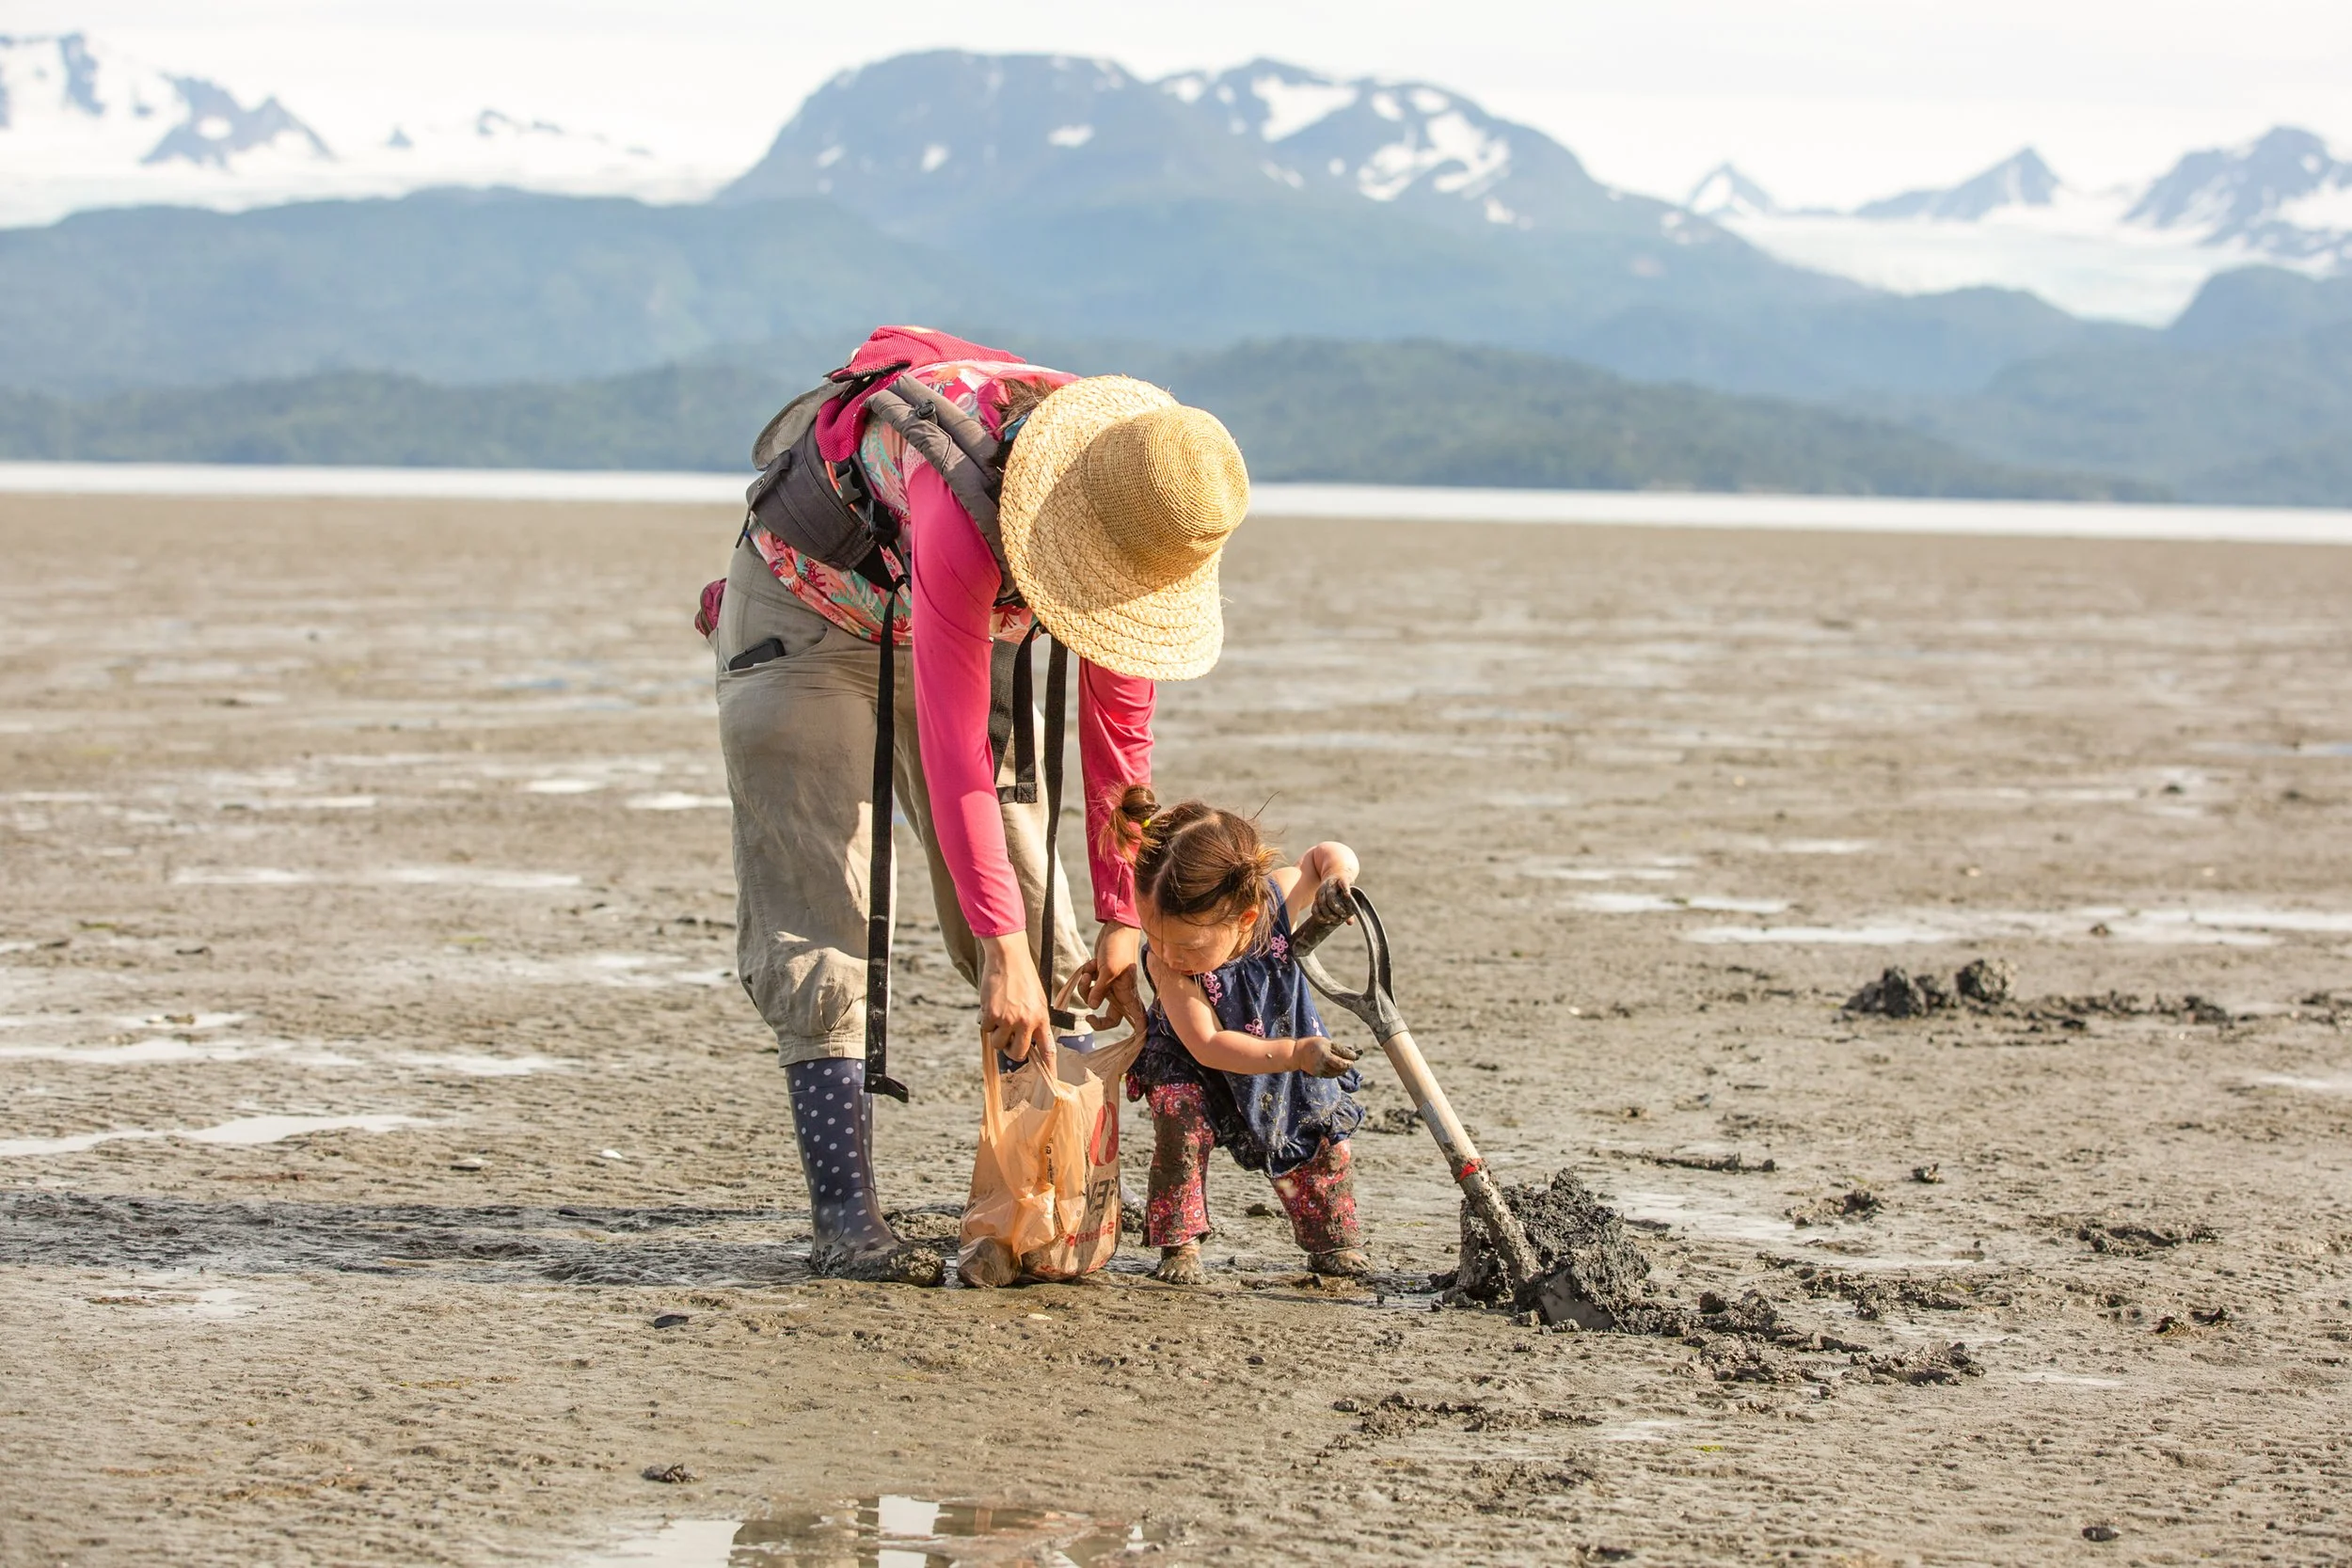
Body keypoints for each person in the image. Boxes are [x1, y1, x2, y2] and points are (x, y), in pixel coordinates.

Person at [706, 326, 1251, 1285]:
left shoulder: (1141, 520)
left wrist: (1123, 918)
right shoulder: (972, 503)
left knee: (1046, 928)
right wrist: (999, 956)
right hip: (809, 613)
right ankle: (846, 1220)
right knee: (821, 901)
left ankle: (1055, 1197)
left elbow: (1119, 746)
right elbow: (954, 743)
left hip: (953, 622)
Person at [1108, 788, 1372, 1284]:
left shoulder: (1274, 903)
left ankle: (1332, 1240)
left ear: (1245, 918)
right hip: (1197, 1063)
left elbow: (1325, 855)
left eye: (1186, 943)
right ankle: (1179, 1244)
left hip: (1286, 1047)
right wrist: (1295, 1053)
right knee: (1179, 1124)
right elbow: (1207, 1043)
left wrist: (1339, 879)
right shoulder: (1167, 965)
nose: (1165, 952)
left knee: (1319, 1134)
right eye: (1152, 932)